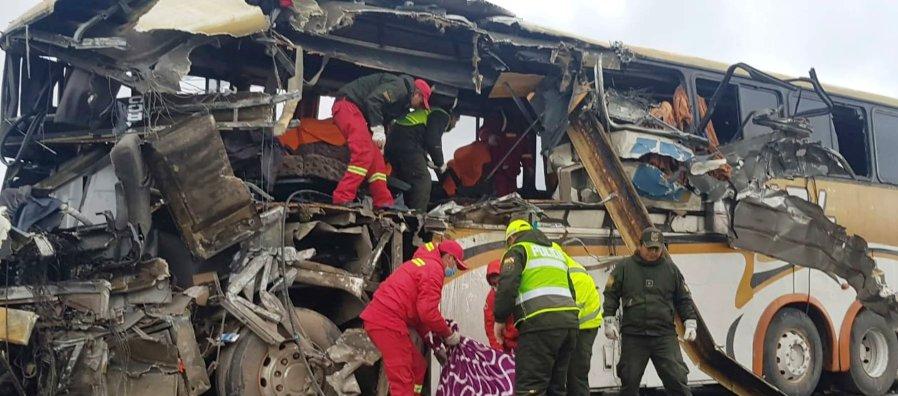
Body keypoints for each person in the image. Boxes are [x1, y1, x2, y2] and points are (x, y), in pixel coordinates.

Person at [360, 239, 468, 396]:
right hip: (386, 321)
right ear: (449, 257)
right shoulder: (434, 270)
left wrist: (433, 343)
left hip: (385, 319)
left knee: (418, 367)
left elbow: (419, 316)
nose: (454, 269)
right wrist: (448, 334)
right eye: (456, 265)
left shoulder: (424, 264)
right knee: (402, 380)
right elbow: (427, 312)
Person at [602, 227, 698, 396]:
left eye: (657, 248)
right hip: (634, 336)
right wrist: (608, 320)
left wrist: (690, 322)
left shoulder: (671, 270)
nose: (653, 252)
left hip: (664, 336)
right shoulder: (623, 268)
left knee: (678, 380)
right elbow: (611, 294)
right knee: (629, 383)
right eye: (650, 248)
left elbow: (683, 298)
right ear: (640, 246)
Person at [494, 219, 579, 395]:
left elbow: (507, 285)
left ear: (512, 238)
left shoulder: (518, 250)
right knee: (556, 388)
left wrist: (500, 318)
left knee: (530, 388)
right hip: (569, 327)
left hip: (539, 327)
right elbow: (571, 290)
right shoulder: (556, 252)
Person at [331, 73, 432, 208]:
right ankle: (342, 198)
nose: (418, 107)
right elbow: (373, 101)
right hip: (347, 106)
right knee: (364, 152)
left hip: (357, 112)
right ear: (417, 94)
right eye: (421, 102)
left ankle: (383, 202)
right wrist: (378, 130)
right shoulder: (400, 88)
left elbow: (383, 115)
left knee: (377, 161)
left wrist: (381, 139)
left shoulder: (402, 104)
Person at [384, 100, 456, 211]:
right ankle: (417, 216)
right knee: (422, 180)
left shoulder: (427, 112)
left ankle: (399, 209)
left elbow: (418, 137)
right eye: (456, 122)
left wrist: (427, 161)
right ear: (453, 118)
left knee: (404, 179)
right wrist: (440, 163)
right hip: (406, 142)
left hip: (394, 142)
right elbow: (433, 141)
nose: (455, 126)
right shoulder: (442, 115)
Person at [558, 242, 603, 396]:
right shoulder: (557, 271)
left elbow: (572, 310)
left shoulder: (575, 274)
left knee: (576, 374)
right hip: (569, 325)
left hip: (585, 327)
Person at [477, 104, 537, 197]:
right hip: (497, 171)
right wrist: (489, 137)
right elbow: (482, 132)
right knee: (499, 200)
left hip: (512, 172)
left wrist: (528, 165)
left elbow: (525, 149)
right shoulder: (495, 116)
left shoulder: (521, 123)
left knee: (511, 199)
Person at [483, 259, 518, 352]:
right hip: (507, 344)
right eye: (493, 283)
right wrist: (498, 350)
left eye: (499, 282)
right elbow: (490, 326)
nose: (497, 286)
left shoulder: (518, 290)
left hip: (525, 341)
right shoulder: (491, 298)